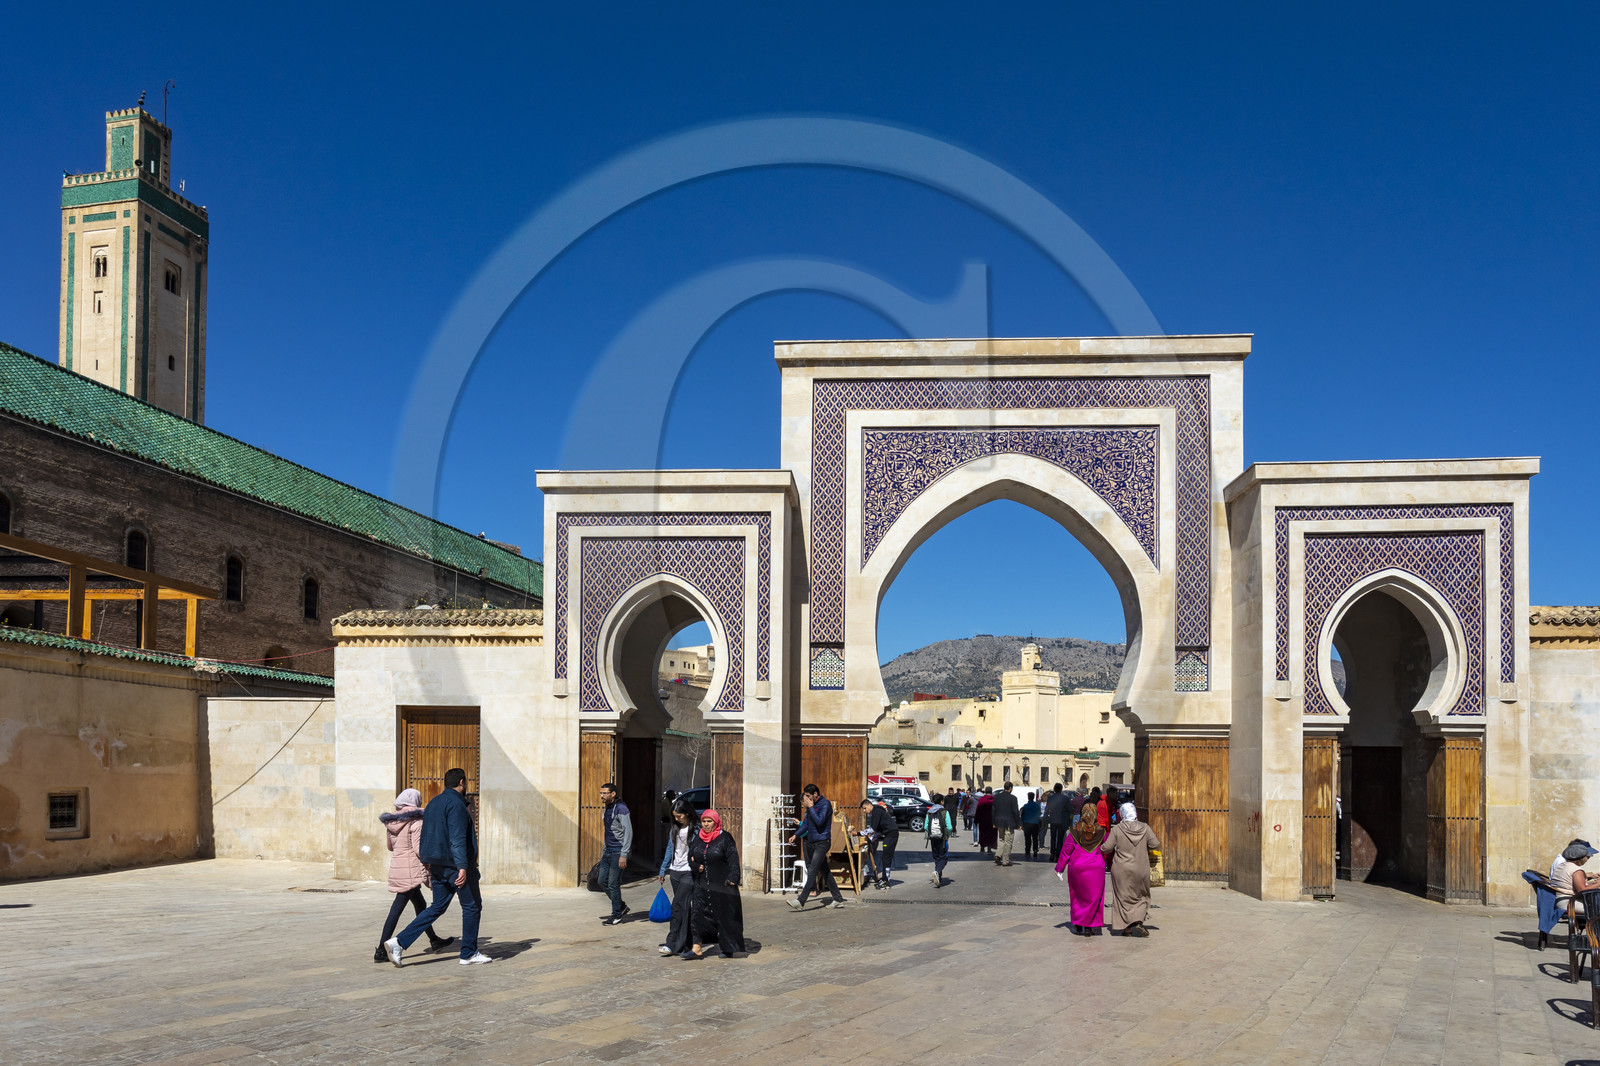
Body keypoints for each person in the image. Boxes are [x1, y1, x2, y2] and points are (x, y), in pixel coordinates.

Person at [384, 767, 491, 966]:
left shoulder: (433, 803)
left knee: (437, 907)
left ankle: (398, 942)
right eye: (465, 782)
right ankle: (468, 952)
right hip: (455, 865)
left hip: (438, 865)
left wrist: (429, 863)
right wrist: (462, 866)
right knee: (472, 906)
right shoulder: (457, 805)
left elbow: (426, 836)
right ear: (461, 782)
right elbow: (458, 838)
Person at [374, 788, 455, 962]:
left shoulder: (391, 822)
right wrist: (431, 865)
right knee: (397, 908)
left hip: (398, 868)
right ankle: (381, 949)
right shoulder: (416, 822)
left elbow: (390, 847)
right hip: (411, 870)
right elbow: (419, 850)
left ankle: (434, 940)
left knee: (420, 905)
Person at [688, 809, 745, 957]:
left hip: (721, 884)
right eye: (704, 821)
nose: (706, 825)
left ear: (716, 822)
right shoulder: (698, 839)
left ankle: (728, 948)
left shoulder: (725, 838)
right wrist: (695, 867)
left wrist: (733, 878)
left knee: (723, 916)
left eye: (709, 821)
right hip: (701, 884)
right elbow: (691, 857)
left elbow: (733, 859)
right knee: (697, 914)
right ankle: (697, 947)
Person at [1101, 801, 1161, 937]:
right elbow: (1155, 844)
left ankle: (1126, 928)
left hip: (1121, 869)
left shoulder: (1117, 829)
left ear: (1122, 814)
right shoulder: (1145, 828)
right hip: (1141, 868)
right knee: (1141, 896)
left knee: (1122, 897)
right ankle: (1138, 922)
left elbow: (1107, 848)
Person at [1054, 802, 1108, 935]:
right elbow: (1107, 848)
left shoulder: (1074, 831)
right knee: (1094, 898)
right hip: (1096, 868)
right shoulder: (1101, 832)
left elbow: (1066, 851)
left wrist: (1060, 868)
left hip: (1077, 867)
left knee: (1077, 897)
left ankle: (1078, 922)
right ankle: (1089, 925)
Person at [789, 784, 845, 910]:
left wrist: (811, 807)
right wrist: (796, 835)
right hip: (812, 842)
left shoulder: (825, 804)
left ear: (815, 794)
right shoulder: (811, 807)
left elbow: (819, 821)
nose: (807, 799)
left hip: (822, 842)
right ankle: (838, 899)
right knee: (825, 871)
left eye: (808, 796)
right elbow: (807, 824)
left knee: (813, 869)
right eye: (806, 797)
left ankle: (801, 901)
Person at [657, 798, 698, 957]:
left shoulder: (696, 829)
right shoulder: (674, 829)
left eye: (679, 816)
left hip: (689, 871)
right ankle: (686, 943)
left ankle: (671, 942)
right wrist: (663, 869)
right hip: (675, 871)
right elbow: (670, 848)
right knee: (684, 908)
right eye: (674, 816)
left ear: (687, 814)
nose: (676, 819)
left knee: (677, 905)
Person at [598, 782, 633, 925]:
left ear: (613, 794)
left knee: (613, 883)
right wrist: (604, 849)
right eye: (601, 793)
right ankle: (621, 906)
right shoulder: (607, 808)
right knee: (601, 881)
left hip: (618, 851)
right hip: (608, 850)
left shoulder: (621, 809)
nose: (601, 796)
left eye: (604, 793)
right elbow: (608, 831)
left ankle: (616, 914)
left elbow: (628, 832)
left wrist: (624, 854)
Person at [857, 798, 898, 889]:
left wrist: (858, 833)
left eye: (864, 808)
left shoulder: (876, 812)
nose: (864, 811)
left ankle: (886, 880)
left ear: (869, 805)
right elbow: (877, 831)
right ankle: (884, 878)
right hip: (888, 835)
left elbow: (872, 829)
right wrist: (868, 840)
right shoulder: (876, 812)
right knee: (885, 857)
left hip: (891, 834)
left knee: (886, 857)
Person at [1551, 842, 1598, 915]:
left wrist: (1595, 883)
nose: (1587, 859)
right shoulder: (1576, 870)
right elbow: (1582, 891)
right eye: (1587, 857)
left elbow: (1571, 884)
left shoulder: (1562, 866)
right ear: (1581, 858)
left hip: (1560, 901)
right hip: (1570, 903)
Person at [926, 792, 955, 887]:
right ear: (941, 802)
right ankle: (937, 872)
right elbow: (949, 827)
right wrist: (947, 835)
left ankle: (939, 878)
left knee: (937, 857)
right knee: (944, 858)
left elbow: (926, 826)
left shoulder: (929, 812)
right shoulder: (944, 812)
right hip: (942, 838)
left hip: (932, 837)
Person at [993, 782, 1020, 866]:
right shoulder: (1013, 798)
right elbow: (1016, 812)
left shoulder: (996, 797)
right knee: (1008, 841)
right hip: (1009, 822)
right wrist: (1019, 823)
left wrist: (993, 822)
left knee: (1001, 839)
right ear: (1010, 788)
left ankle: (998, 855)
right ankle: (1005, 860)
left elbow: (993, 811)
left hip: (999, 822)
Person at [1045, 783, 1070, 863]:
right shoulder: (1065, 798)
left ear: (1054, 789)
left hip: (1053, 820)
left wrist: (1044, 821)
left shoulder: (1050, 798)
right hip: (1062, 820)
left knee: (1053, 837)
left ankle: (1052, 853)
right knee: (1060, 838)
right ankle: (1058, 855)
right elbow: (1070, 809)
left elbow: (1046, 810)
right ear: (1061, 789)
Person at [1020, 791, 1043, 860]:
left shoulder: (1025, 806)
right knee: (1035, 838)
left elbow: (1022, 815)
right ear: (1033, 797)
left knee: (1027, 838)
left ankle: (1027, 850)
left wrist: (1022, 824)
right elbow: (1039, 814)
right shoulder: (1036, 806)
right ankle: (1035, 850)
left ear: (1028, 797)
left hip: (1027, 823)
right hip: (1035, 824)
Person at [975, 788, 997, 855]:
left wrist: (976, 820)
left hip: (983, 820)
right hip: (992, 821)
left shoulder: (982, 800)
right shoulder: (995, 800)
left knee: (983, 834)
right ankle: (989, 848)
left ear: (985, 792)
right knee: (991, 835)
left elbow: (978, 809)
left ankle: (982, 847)